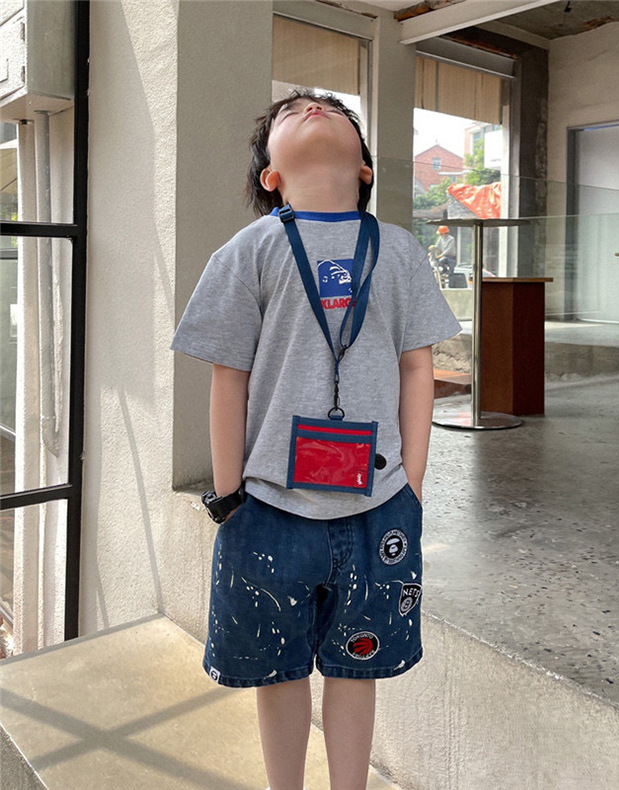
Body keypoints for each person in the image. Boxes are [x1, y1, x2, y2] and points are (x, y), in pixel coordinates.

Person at [171, 89, 461, 790]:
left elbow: (417, 369)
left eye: (333, 109)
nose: (311, 107)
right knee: (278, 672)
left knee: (357, 669)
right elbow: (228, 380)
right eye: (289, 112)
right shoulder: (249, 250)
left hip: (379, 505)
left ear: (364, 167)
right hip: (269, 508)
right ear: (271, 175)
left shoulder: (398, 250)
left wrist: (413, 485)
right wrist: (230, 495)